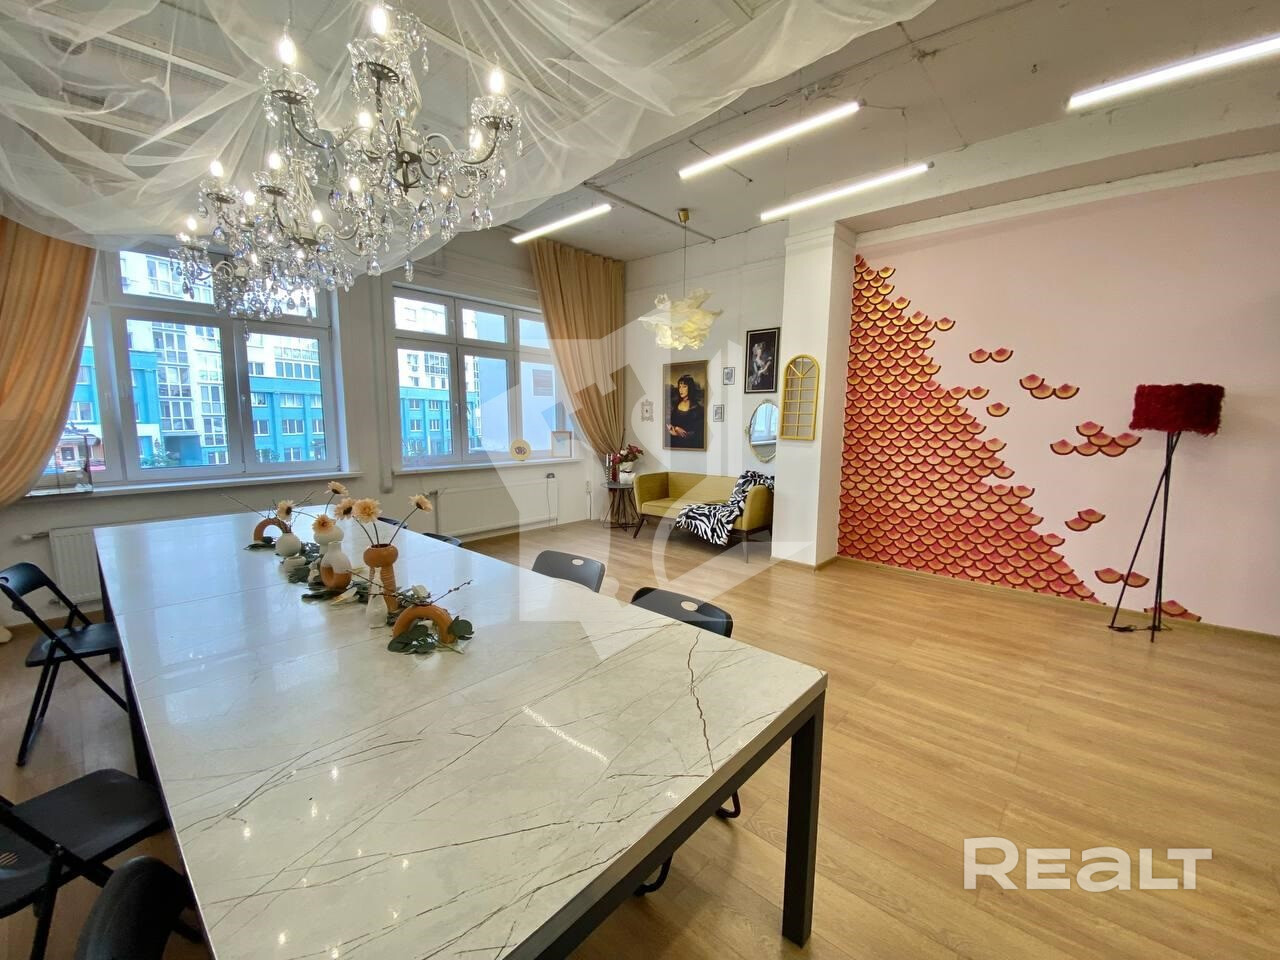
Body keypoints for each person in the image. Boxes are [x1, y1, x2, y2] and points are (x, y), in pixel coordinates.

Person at [667, 373, 705, 449]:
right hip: (674, 445)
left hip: (688, 445)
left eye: (684, 386)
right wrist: (675, 428)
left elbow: (697, 432)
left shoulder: (696, 408)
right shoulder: (675, 405)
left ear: (690, 388)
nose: (681, 390)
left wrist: (678, 433)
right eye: (679, 387)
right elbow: (669, 423)